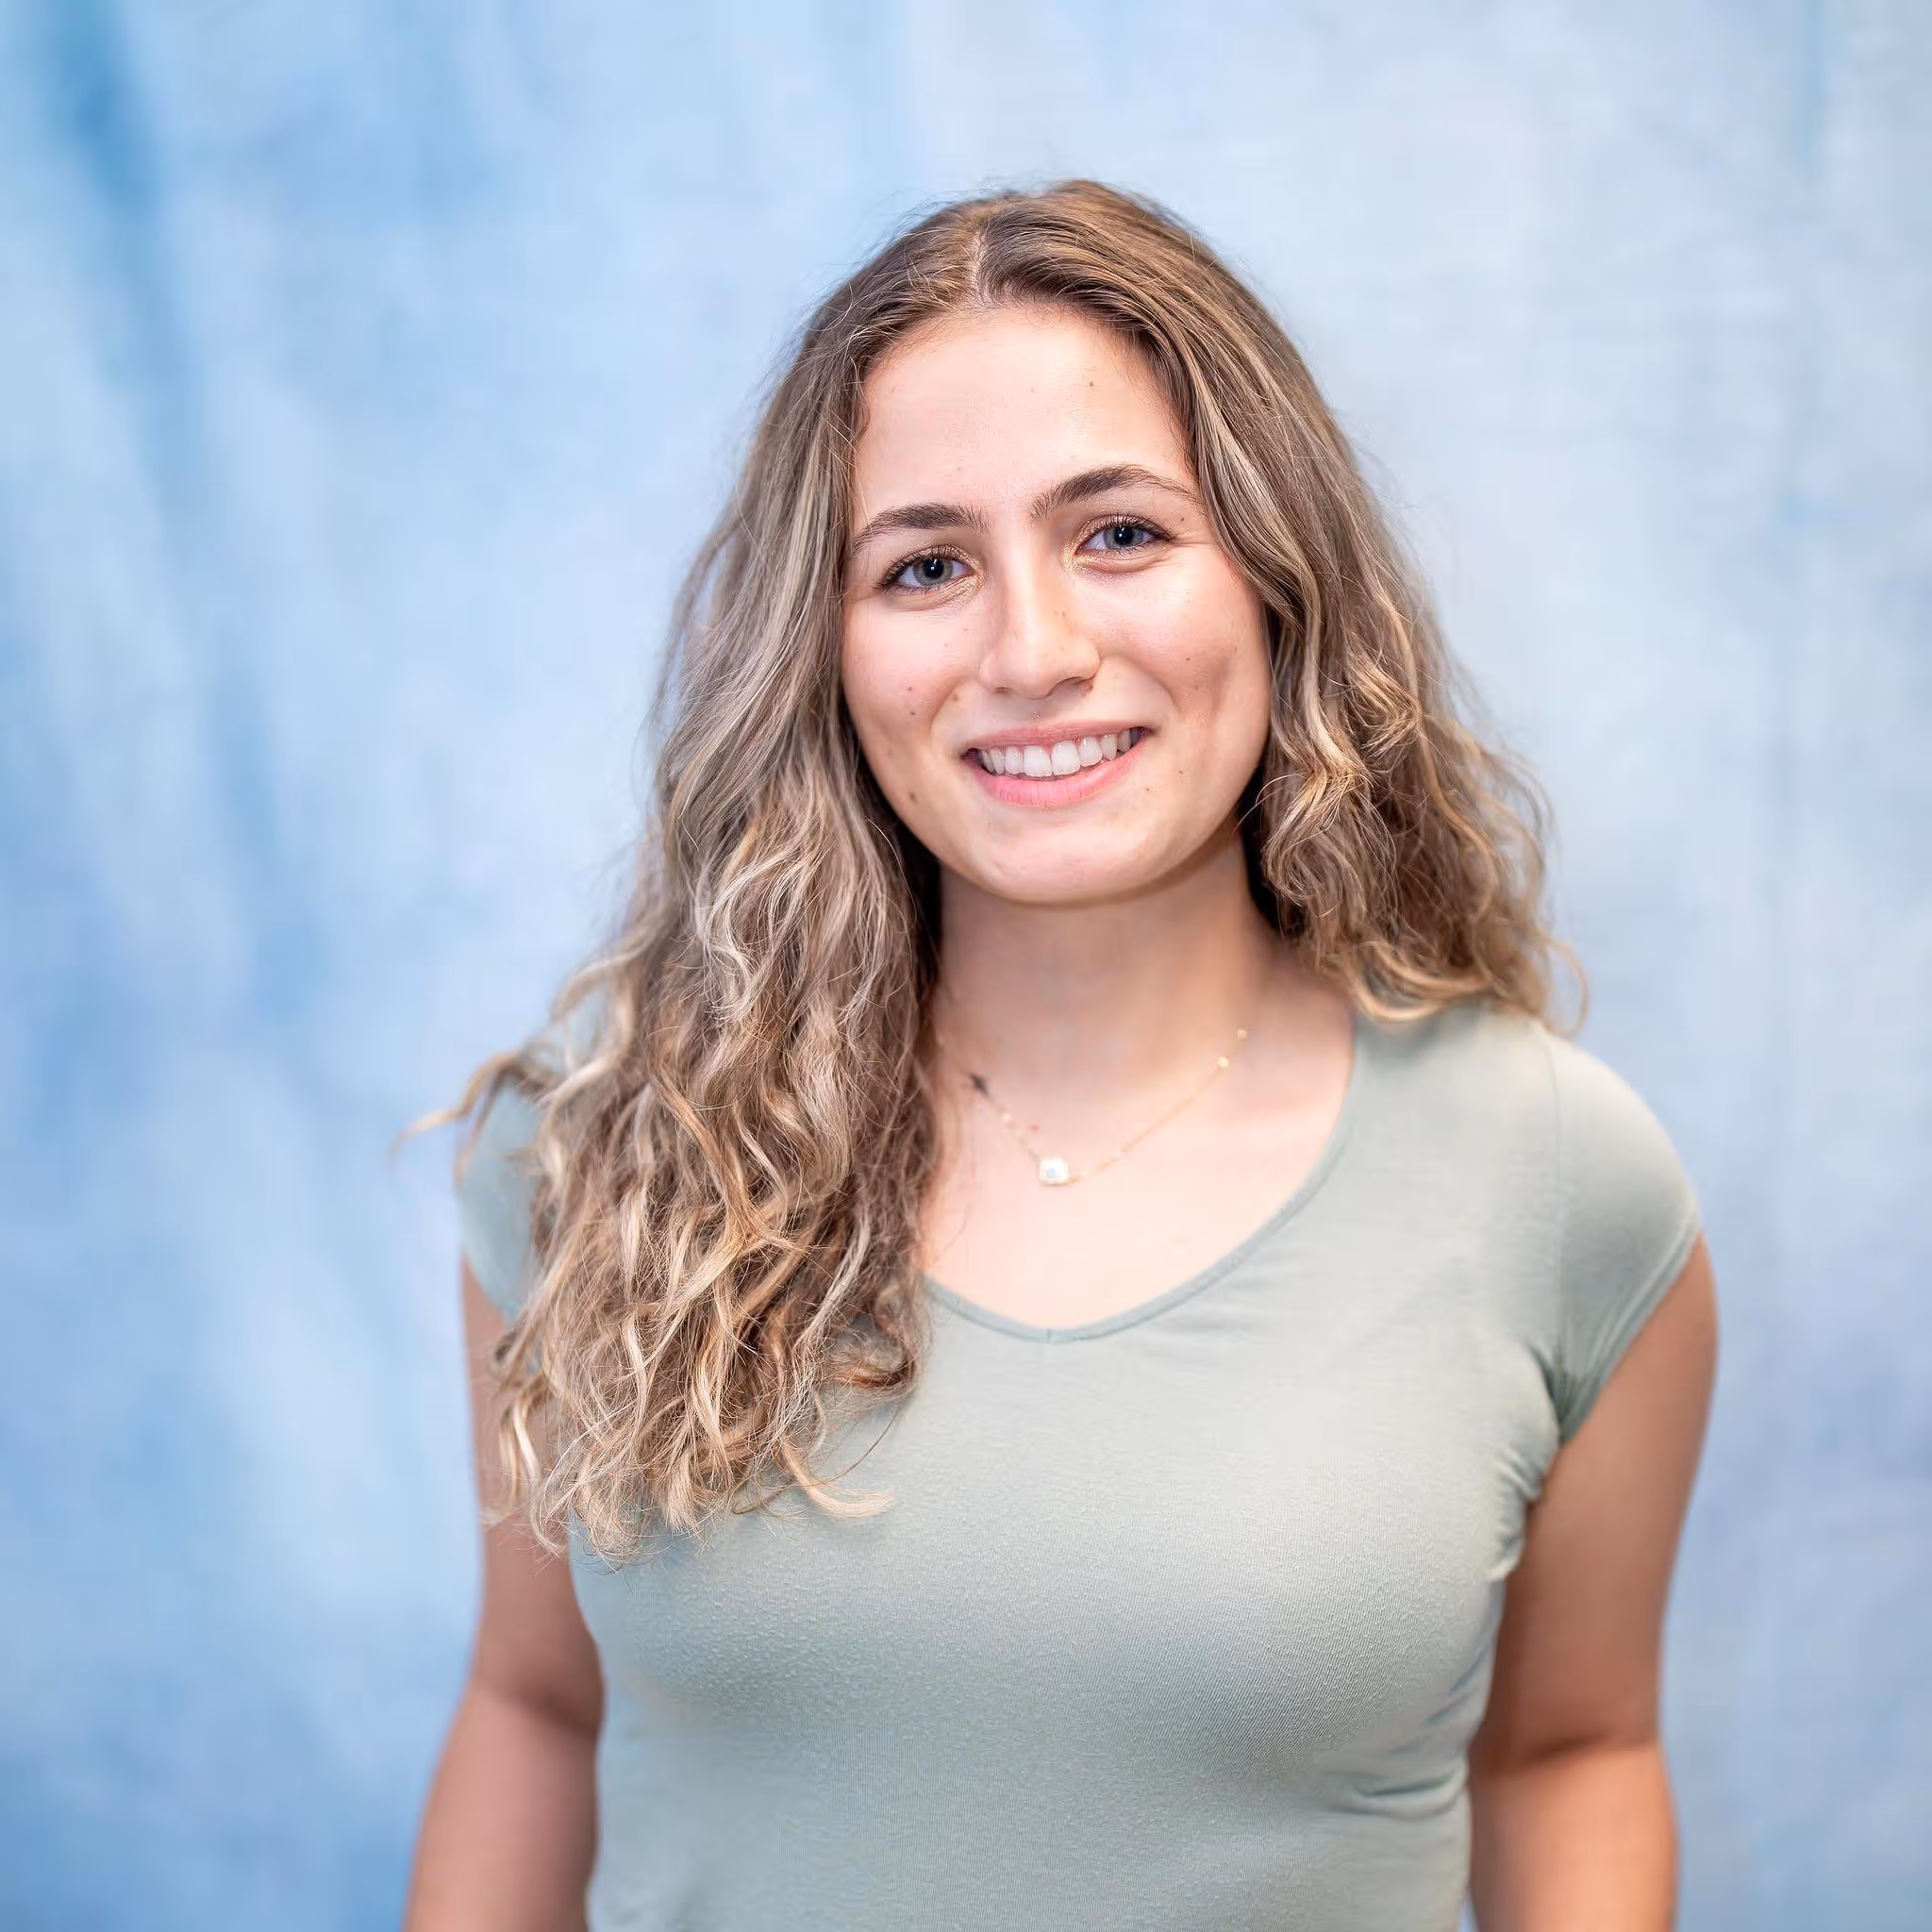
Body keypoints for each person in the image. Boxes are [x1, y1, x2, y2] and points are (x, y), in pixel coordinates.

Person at [404, 179, 1719, 1932]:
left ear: (1278, 579)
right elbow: (535, 1710)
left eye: (1120, 534)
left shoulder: (1560, 1183)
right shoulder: (603, 1150)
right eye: (926, 566)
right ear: (826, 650)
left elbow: (1570, 1754)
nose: (1032, 652)